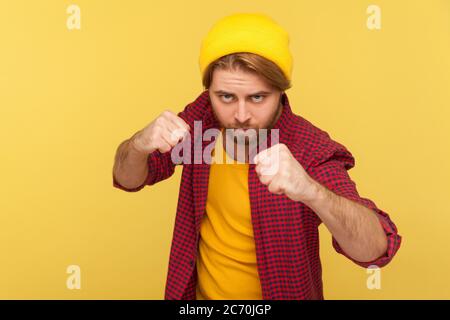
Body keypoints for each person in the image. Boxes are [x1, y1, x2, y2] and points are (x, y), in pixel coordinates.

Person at [112, 13, 401, 300]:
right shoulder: (201, 121)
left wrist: (311, 191)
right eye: (226, 97)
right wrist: (139, 144)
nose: (240, 115)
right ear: (209, 91)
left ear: (280, 92)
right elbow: (128, 179)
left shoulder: (308, 147)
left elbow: (376, 249)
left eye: (257, 97)